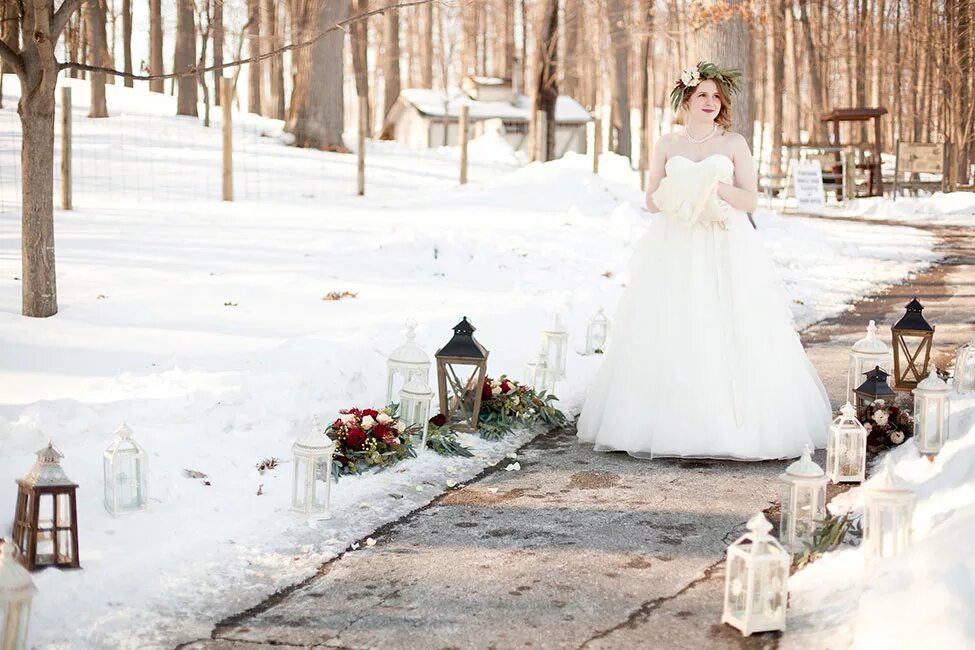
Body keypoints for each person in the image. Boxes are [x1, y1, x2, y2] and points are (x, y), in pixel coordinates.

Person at [577, 61, 831, 460]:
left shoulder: (734, 144)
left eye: (716, 96)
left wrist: (715, 189)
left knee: (727, 324)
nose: (710, 102)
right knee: (672, 323)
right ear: (687, 100)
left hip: (724, 243)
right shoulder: (667, 144)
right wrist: (680, 189)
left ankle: (731, 427)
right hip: (675, 243)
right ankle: (663, 423)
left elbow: (750, 200)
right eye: (702, 95)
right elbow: (650, 200)